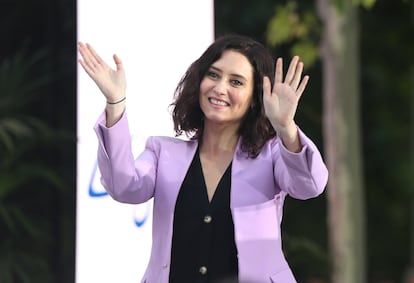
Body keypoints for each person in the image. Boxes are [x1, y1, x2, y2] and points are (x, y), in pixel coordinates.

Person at [78, 34, 329, 283]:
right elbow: (123, 186)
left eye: (237, 82)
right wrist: (115, 103)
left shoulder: (272, 154)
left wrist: (286, 128)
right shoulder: (162, 152)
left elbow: (309, 185)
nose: (220, 88)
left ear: (256, 98)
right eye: (213, 75)